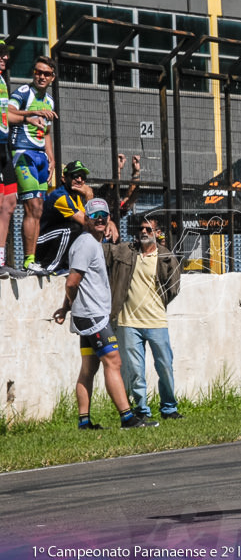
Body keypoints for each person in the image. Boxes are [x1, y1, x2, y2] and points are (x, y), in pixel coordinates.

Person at [52, 198, 156, 430]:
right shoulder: (88, 243)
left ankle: (84, 421)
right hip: (93, 317)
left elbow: (77, 283)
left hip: (87, 315)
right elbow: (71, 283)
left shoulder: (89, 243)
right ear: (86, 220)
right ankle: (128, 418)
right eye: (95, 216)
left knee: (89, 368)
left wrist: (67, 308)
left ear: (109, 219)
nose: (100, 219)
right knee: (114, 362)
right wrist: (73, 306)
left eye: (104, 215)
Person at [105, 216, 182, 420]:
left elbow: (174, 287)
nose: (144, 232)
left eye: (149, 229)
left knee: (165, 366)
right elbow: (103, 252)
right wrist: (109, 223)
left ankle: (169, 408)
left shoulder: (165, 256)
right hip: (128, 322)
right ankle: (141, 410)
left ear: (157, 233)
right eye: (141, 229)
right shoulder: (125, 252)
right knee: (135, 371)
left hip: (157, 321)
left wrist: (158, 304)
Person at [8, 56, 58, 274]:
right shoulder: (23, 93)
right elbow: (7, 115)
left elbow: (46, 131)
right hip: (22, 153)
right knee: (33, 206)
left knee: (38, 210)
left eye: (46, 74)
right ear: (33, 72)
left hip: (40, 157)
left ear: (52, 78)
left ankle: (33, 260)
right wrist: (31, 113)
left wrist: (51, 157)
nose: (41, 76)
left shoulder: (49, 101)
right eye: (38, 72)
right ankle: (27, 261)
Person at [35, 160, 116, 274]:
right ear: (64, 179)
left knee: (89, 231)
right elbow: (88, 223)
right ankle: (50, 267)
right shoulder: (60, 197)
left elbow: (90, 219)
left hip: (54, 241)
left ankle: (68, 265)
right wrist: (89, 195)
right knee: (74, 228)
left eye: (83, 177)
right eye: (75, 176)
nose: (79, 180)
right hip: (41, 243)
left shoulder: (76, 197)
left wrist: (110, 223)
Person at [0, 42, 17, 276]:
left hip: (4, 148)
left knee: (10, 202)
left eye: (4, 55)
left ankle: (1, 259)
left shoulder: (2, 81)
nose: (4, 58)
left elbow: (8, 114)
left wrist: (28, 116)